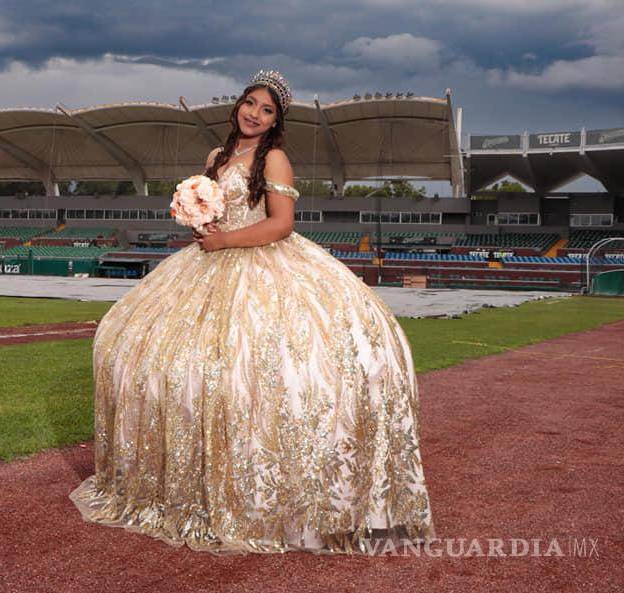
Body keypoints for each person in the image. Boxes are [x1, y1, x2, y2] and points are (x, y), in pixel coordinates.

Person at [69, 70, 435, 555]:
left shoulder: (276, 160)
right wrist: (200, 221)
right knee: (160, 352)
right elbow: (216, 212)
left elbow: (281, 225)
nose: (255, 114)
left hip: (261, 260)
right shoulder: (215, 157)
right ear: (237, 104)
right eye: (251, 103)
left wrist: (224, 240)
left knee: (270, 362)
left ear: (276, 122)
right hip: (207, 264)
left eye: (267, 110)